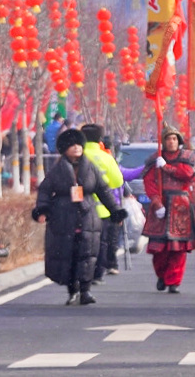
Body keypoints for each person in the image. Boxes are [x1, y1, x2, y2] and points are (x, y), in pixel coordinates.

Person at [33, 128, 123, 305]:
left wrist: (115, 211)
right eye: (71, 145)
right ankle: (72, 290)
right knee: (68, 254)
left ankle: (86, 290)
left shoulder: (91, 168)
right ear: (64, 149)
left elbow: (103, 190)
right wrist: (42, 210)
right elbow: (45, 190)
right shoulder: (57, 170)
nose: (76, 148)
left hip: (88, 215)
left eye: (78, 144)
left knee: (88, 254)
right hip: (63, 217)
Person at [140, 127, 195, 293]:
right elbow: (150, 182)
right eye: (168, 139)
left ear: (179, 141)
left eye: (174, 139)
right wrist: (156, 202)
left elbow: (187, 174)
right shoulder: (154, 160)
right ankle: (162, 275)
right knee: (158, 248)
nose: (171, 142)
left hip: (180, 205)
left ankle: (174, 281)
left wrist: (167, 167)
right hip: (160, 204)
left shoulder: (187, 158)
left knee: (178, 248)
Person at [78, 124, 124, 278]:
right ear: (100, 139)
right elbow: (118, 181)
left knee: (82, 242)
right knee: (102, 242)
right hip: (103, 209)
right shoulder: (106, 157)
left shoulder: (78, 156)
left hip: (81, 208)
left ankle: (84, 273)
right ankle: (98, 273)